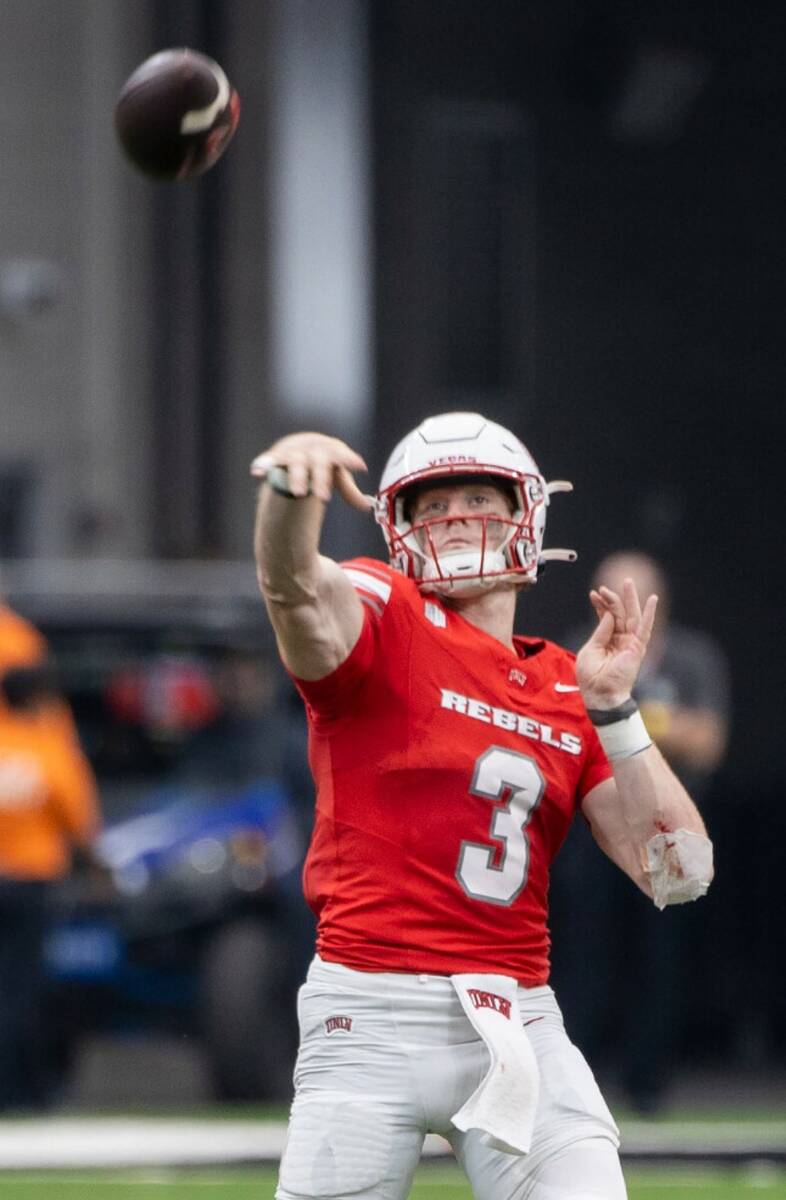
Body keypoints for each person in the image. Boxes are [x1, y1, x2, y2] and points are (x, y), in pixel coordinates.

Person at [250, 412, 714, 1200]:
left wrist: (615, 710)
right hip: (368, 1007)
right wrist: (292, 495)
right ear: (398, 525)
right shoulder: (385, 608)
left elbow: (678, 873)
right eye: (432, 505)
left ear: (527, 516)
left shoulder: (573, 682)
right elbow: (293, 588)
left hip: (515, 1018)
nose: (456, 517)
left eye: (477, 496)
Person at [550, 551, 730, 1112]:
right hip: (596, 825)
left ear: (657, 600)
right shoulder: (579, 651)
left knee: (660, 958)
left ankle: (648, 1086)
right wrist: (634, 717)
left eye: (630, 591)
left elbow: (708, 740)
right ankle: (573, 1081)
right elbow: (565, 733)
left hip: (672, 826)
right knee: (583, 955)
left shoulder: (692, 656)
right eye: (607, 591)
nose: (617, 602)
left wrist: (624, 714)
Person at [0, 664, 100, 1110]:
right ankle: (23, 1092)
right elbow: (80, 823)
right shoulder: (49, 747)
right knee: (22, 991)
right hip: (31, 883)